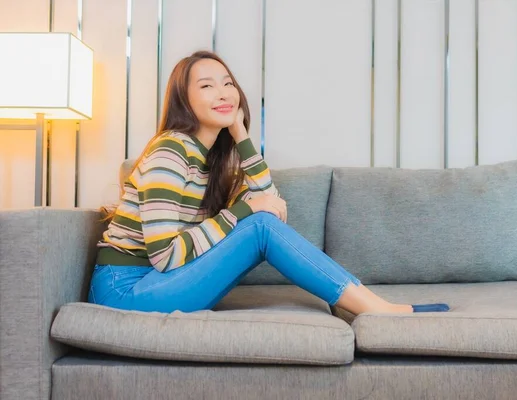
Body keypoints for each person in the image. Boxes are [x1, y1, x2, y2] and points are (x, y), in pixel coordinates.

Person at [90, 50, 450, 315]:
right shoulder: (171, 151)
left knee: (263, 221)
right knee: (258, 225)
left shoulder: (210, 160)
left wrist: (241, 133)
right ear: (184, 99)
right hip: (126, 291)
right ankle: (374, 308)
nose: (223, 92)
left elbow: (271, 202)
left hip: (157, 283)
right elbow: (166, 255)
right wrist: (247, 210)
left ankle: (365, 304)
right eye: (206, 85)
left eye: (228, 83)